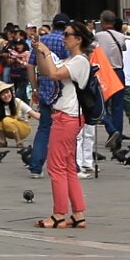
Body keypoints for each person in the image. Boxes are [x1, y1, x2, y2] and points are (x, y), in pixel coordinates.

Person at [29, 24, 88, 230]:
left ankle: (58, 215)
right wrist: (39, 51)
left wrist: (46, 51)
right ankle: (78, 214)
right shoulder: (71, 60)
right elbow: (46, 71)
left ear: (79, 39)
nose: (64, 37)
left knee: (56, 167)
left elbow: (54, 74)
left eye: (67, 35)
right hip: (68, 116)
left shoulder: (80, 61)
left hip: (67, 117)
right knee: (69, 166)